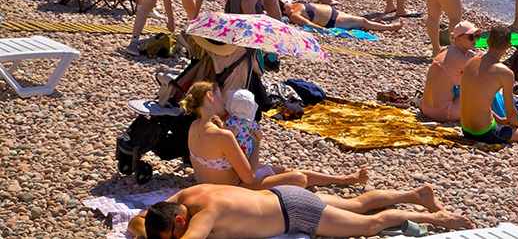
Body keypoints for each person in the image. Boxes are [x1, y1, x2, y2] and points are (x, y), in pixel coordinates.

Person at [179, 82, 368, 191]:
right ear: (210, 96)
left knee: (287, 170)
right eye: (220, 96)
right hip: (232, 188)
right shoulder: (223, 135)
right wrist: (256, 142)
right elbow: (249, 177)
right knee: (298, 179)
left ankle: (344, 179)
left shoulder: (194, 126)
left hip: (210, 183)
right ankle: (344, 179)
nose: (223, 102)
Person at [128, 183, 472, 239]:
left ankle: (434, 218)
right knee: (357, 203)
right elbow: (136, 221)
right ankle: (415, 194)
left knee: (370, 224)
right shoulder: (188, 195)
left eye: (175, 235)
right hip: (283, 195)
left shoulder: (205, 214)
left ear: (180, 220)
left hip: (297, 214)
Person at [421, 20, 480, 122]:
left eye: (476, 37)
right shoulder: (461, 59)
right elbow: (484, 73)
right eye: (471, 37)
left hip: (425, 107)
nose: (474, 40)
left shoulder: (444, 50)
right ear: (458, 39)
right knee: (481, 88)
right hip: (443, 112)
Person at [282, 0, 402, 33]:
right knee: (363, 21)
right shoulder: (294, 16)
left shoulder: (294, 5)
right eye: (284, 3)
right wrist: (324, 30)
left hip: (334, 13)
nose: (286, 1)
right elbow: (308, 24)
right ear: (283, 10)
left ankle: (374, 22)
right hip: (333, 21)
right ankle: (391, 27)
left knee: (358, 20)